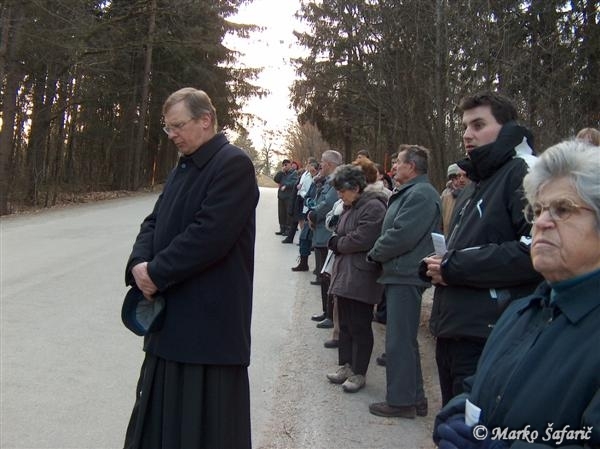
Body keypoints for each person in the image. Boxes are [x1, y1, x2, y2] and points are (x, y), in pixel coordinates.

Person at [433, 139, 600, 448]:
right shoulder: (521, 311)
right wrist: (456, 411)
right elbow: (480, 388)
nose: (542, 223)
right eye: (537, 210)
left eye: (563, 209)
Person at [123, 87, 259, 449]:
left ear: (205, 120)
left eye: (178, 126)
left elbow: (209, 236)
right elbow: (154, 221)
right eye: (167, 128)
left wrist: (156, 273)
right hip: (169, 322)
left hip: (208, 331)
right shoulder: (183, 166)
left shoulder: (233, 165)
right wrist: (138, 264)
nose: (172, 135)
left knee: (204, 430)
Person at [423, 91, 543, 407]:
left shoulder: (525, 172)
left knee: (474, 426)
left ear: (506, 128)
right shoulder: (479, 179)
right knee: (451, 424)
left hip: (491, 336)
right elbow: (470, 246)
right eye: (465, 126)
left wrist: (454, 267)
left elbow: (535, 252)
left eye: (478, 125)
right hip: (454, 329)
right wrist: (439, 265)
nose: (467, 134)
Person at [367, 145, 441, 418]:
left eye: (398, 162)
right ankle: (415, 398)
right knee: (404, 339)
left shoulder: (421, 194)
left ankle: (401, 402)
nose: (394, 167)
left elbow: (401, 235)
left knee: (399, 341)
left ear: (412, 166)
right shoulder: (413, 191)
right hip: (400, 273)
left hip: (406, 275)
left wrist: (374, 253)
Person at [325, 164, 387, 392]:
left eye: (342, 190)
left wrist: (338, 243)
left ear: (356, 187)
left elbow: (362, 238)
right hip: (345, 273)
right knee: (345, 324)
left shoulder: (373, 207)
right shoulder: (350, 206)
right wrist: (338, 241)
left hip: (362, 275)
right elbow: (340, 232)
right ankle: (346, 365)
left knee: (360, 325)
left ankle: (359, 372)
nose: (339, 195)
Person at [308, 150, 343, 327]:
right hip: (321, 232)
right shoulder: (327, 180)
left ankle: (330, 315)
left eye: (322, 161)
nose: (320, 164)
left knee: (328, 276)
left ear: (329, 164)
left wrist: (313, 215)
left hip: (326, 234)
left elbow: (328, 203)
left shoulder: (336, 181)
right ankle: (326, 311)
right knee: (323, 276)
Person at [291, 159, 319, 271]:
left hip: (316, 212)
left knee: (317, 241)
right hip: (308, 208)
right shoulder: (308, 177)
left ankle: (319, 269)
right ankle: (303, 263)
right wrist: (307, 199)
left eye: (313, 169)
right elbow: (304, 191)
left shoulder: (320, 180)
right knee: (304, 237)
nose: (310, 170)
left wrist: (312, 203)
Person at [440, 163, 468, 238]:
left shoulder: (471, 194)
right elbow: (440, 223)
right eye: (452, 179)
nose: (456, 182)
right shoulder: (445, 197)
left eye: (456, 177)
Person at [274, 159, 298, 236]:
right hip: (281, 196)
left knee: (288, 214)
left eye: (286, 165)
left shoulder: (294, 173)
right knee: (281, 214)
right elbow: (276, 179)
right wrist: (281, 172)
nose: (285, 166)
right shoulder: (282, 173)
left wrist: (286, 185)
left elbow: (294, 182)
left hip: (288, 197)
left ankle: (288, 230)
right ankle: (282, 229)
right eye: (284, 165)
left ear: (290, 165)